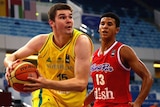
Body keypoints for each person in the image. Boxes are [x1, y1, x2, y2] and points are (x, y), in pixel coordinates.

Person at [4, 3, 93, 107]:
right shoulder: (41, 41)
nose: (69, 20)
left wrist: (46, 82)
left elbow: (81, 84)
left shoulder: (81, 42)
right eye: (63, 17)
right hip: (47, 94)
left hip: (75, 101)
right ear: (52, 23)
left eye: (70, 17)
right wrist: (10, 66)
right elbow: (11, 57)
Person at [83, 12, 153, 107]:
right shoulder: (95, 55)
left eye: (109, 24)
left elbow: (147, 77)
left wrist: (138, 102)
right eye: (102, 24)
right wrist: (83, 103)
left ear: (117, 30)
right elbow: (98, 89)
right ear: (99, 29)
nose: (105, 26)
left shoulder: (123, 50)